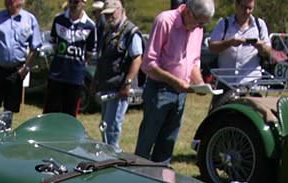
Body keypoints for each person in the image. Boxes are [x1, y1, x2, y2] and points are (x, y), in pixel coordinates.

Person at [134, 0, 215, 164]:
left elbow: (194, 61)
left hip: (181, 93)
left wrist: (199, 83)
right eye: (199, 22)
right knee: (146, 143)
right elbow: (148, 64)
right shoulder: (165, 21)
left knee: (167, 144)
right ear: (188, 12)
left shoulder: (197, 28)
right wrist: (174, 81)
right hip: (159, 90)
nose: (200, 27)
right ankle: (138, 180)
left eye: (203, 24)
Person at [94, 0, 143, 150]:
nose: (109, 17)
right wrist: (95, 80)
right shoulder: (108, 31)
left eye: (111, 14)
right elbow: (102, 58)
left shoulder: (131, 32)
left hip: (119, 88)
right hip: (107, 86)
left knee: (113, 127)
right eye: (106, 15)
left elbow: (137, 58)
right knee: (105, 126)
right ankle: (109, 154)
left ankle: (114, 156)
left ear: (121, 10)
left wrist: (128, 83)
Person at [0, 0, 43, 113]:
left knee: (9, 109)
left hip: (16, 71)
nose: (9, 1)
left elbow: (35, 47)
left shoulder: (29, 20)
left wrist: (26, 68)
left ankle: (5, 130)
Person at [43, 0, 97, 116]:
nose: (74, 4)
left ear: (84, 2)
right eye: (71, 1)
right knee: (50, 113)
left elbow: (89, 53)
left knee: (69, 115)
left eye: (77, 1)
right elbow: (53, 44)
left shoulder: (90, 26)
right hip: (56, 75)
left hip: (75, 78)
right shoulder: (59, 20)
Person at [208, 0, 270, 84]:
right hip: (225, 81)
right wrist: (229, 43)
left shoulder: (260, 25)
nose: (247, 11)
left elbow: (269, 52)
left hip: (251, 81)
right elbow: (212, 47)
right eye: (244, 7)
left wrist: (261, 47)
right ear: (236, 5)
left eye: (250, 8)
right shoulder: (224, 23)